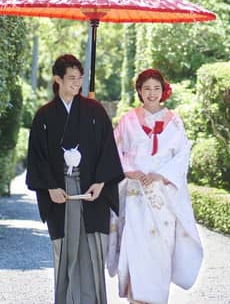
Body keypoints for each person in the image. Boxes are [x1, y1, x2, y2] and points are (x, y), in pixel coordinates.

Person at [26, 54, 124, 304]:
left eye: (80, 78)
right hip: (60, 193)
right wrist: (50, 187)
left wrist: (101, 182)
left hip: (92, 192)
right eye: (71, 78)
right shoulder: (44, 116)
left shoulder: (95, 110)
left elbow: (108, 149)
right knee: (65, 253)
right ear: (57, 79)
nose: (77, 83)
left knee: (92, 253)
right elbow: (36, 157)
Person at [107, 69, 203, 304]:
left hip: (163, 198)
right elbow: (113, 151)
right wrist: (130, 171)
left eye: (156, 88)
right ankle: (135, 300)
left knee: (161, 252)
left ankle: (158, 299)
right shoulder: (128, 121)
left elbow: (182, 155)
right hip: (135, 194)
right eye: (146, 88)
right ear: (139, 91)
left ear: (163, 91)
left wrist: (160, 174)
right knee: (136, 249)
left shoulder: (174, 122)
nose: (151, 93)